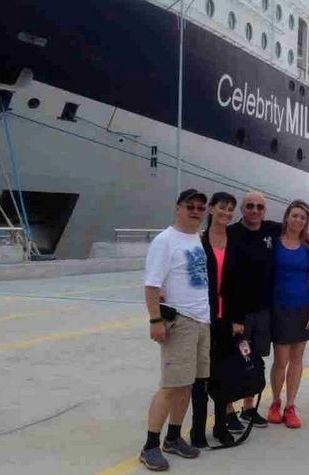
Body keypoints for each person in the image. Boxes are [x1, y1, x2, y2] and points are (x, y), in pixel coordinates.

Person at [140, 189, 210, 471]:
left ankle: (173, 437)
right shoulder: (165, 241)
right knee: (170, 386)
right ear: (178, 209)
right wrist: (155, 321)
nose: (195, 211)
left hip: (202, 321)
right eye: (190, 206)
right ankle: (150, 446)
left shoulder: (196, 238)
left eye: (200, 207)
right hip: (180, 320)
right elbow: (151, 285)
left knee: (187, 385)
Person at [220, 191, 283, 430]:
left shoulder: (270, 229)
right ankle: (227, 411)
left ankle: (248, 408)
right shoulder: (231, 233)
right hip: (239, 313)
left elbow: (297, 226)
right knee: (233, 360)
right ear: (242, 210)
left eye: (259, 207)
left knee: (255, 362)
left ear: (264, 211)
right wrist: (233, 316)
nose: (254, 211)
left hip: (263, 312)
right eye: (250, 206)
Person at [190, 192, 237, 448]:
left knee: (223, 374)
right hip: (202, 318)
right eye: (222, 208)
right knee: (200, 377)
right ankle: (198, 429)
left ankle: (221, 427)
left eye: (231, 209)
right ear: (211, 209)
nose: (226, 213)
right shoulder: (199, 241)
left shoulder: (235, 242)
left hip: (227, 319)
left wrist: (238, 318)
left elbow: (240, 284)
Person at [267, 200, 309, 429]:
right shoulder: (273, 243)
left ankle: (291, 405)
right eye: (295, 215)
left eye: (303, 218)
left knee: (297, 359)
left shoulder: (307, 248)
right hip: (279, 307)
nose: (298, 220)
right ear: (287, 217)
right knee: (280, 360)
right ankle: (275, 401)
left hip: (302, 307)